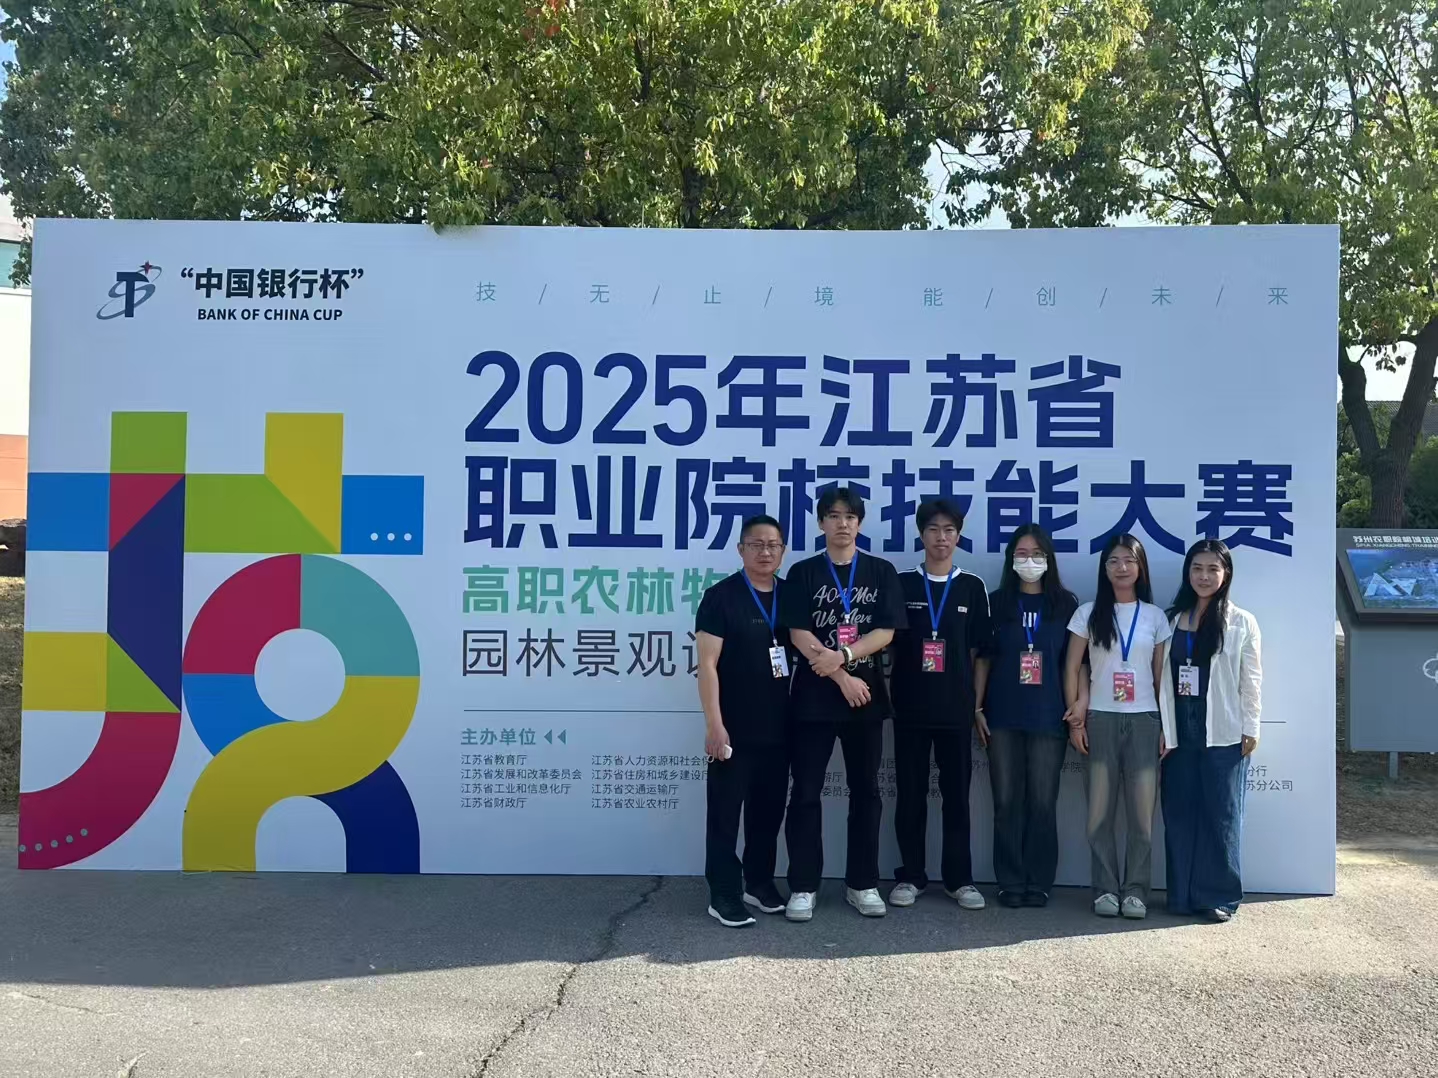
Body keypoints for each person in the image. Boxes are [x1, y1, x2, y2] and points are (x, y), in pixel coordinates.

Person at [779, 487, 906, 922]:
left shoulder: (881, 571)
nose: (842, 523)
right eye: (833, 516)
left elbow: (886, 631)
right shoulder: (803, 572)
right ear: (821, 523)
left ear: (860, 523)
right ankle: (803, 886)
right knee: (805, 792)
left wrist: (847, 656)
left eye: (850, 516)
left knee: (866, 792)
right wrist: (839, 673)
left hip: (865, 699)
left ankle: (862, 883)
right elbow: (798, 633)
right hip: (814, 699)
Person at [888, 499, 991, 912]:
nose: (941, 537)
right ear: (921, 534)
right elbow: (887, 645)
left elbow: (979, 654)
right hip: (910, 709)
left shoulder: (972, 587)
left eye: (949, 530)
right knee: (910, 796)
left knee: (957, 798)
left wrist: (976, 706)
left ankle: (959, 879)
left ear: (958, 536)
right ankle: (910, 876)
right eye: (933, 529)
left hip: (956, 710)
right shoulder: (902, 584)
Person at [974, 524, 1082, 909]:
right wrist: (977, 708)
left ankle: (1039, 880)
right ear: (1010, 560)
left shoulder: (1065, 604)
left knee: (1042, 803)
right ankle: (1010, 880)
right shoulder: (996, 602)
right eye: (1021, 554)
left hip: (1049, 717)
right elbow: (983, 660)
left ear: (1049, 559)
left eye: (1037, 554)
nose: (1029, 561)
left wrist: (1077, 707)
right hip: (1002, 715)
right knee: (1006, 802)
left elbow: (1075, 663)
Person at [1064, 533, 1171, 920]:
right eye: (1113, 561)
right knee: (1099, 815)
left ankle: (1136, 891)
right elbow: (1073, 667)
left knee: (1142, 817)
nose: (1121, 567)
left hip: (1144, 721)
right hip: (1100, 720)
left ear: (1140, 567)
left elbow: (1160, 679)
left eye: (1129, 560)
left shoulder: (1155, 617)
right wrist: (1076, 717)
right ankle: (1106, 889)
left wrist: (1166, 726)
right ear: (1104, 568)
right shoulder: (1088, 613)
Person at [695, 515, 794, 928]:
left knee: (767, 813)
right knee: (725, 814)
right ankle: (723, 893)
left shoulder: (791, 596)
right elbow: (707, 665)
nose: (765, 552)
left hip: (781, 727)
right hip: (733, 727)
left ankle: (758, 882)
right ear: (741, 549)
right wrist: (714, 725)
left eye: (773, 545)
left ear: (782, 550)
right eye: (756, 544)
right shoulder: (721, 597)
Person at [1159, 539, 1262, 922]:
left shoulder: (1242, 621)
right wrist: (1163, 728)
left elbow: (1251, 680)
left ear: (1226, 574)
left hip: (1223, 729)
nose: (1204, 576)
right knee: (1179, 813)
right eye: (1197, 568)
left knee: (1222, 815)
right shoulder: (1171, 619)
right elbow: (1159, 679)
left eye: (1212, 569)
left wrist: (1251, 726)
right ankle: (1182, 896)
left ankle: (1219, 896)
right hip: (1179, 728)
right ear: (1188, 572)